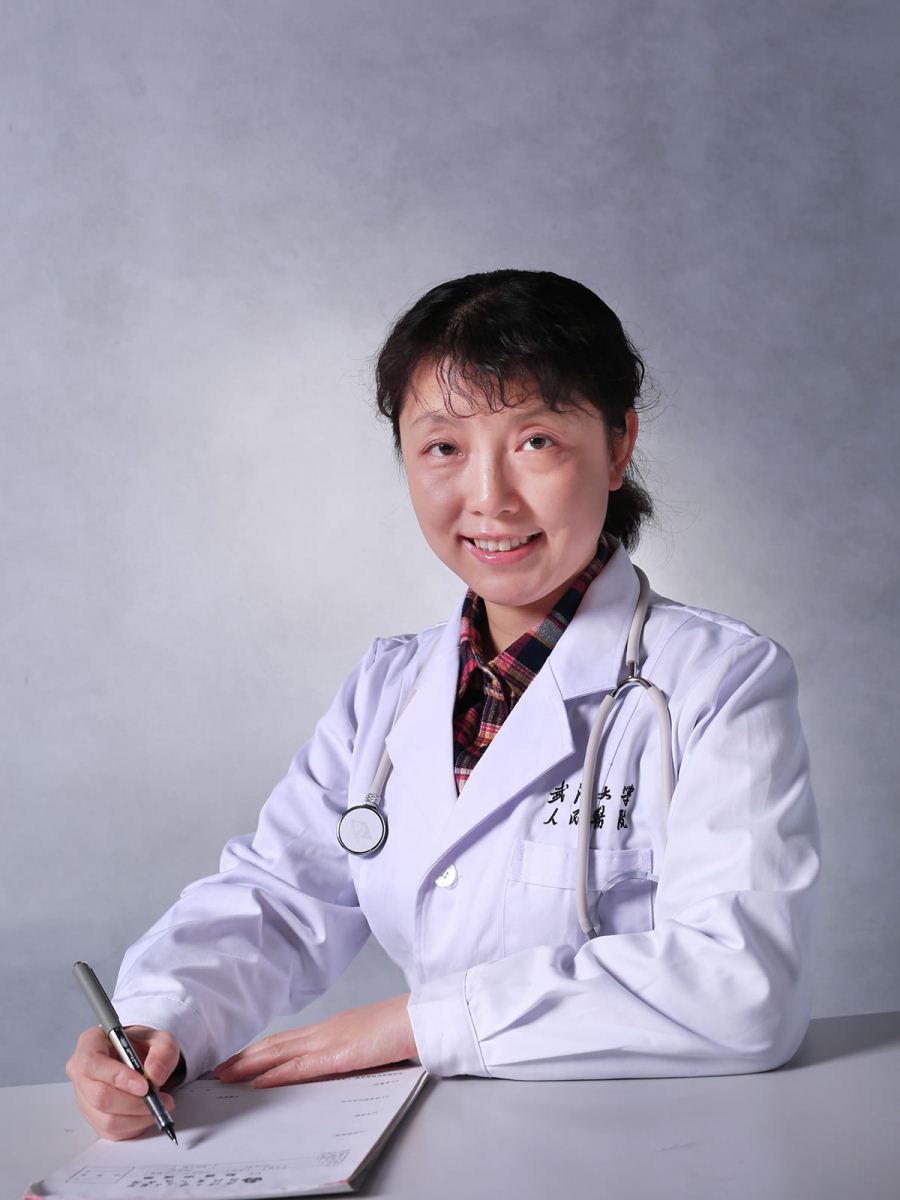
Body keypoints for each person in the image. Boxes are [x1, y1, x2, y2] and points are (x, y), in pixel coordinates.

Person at [66, 268, 820, 1140]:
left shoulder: (717, 681)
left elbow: (745, 987)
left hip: (659, 1143)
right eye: (443, 448)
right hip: (446, 1142)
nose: (489, 498)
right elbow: (279, 898)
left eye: (536, 440)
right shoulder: (390, 689)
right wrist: (159, 1024)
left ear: (618, 448)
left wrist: (417, 1025)